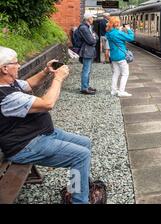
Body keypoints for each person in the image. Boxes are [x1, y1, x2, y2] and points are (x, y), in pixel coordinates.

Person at [0, 46, 92, 204]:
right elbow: (48, 103)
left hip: (41, 134)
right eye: (16, 63)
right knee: (81, 155)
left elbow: (28, 84)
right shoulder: (6, 97)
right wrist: (58, 78)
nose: (19, 65)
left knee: (86, 143)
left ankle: (75, 187)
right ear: (4, 68)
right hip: (25, 145)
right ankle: (79, 200)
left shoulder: (9, 83)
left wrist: (46, 71)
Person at [105, 17, 135, 97]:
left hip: (113, 56)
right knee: (125, 74)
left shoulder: (108, 33)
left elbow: (115, 35)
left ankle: (113, 90)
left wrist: (119, 30)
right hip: (121, 56)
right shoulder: (118, 33)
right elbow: (131, 38)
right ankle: (121, 91)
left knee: (116, 73)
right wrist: (128, 29)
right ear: (117, 24)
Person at [78, 13, 98, 95]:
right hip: (87, 51)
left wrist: (94, 38)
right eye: (92, 18)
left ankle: (86, 86)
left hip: (89, 50)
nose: (93, 19)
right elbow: (91, 41)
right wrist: (93, 39)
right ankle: (84, 88)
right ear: (88, 19)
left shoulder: (88, 27)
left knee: (88, 70)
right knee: (86, 70)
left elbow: (96, 37)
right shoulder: (84, 28)